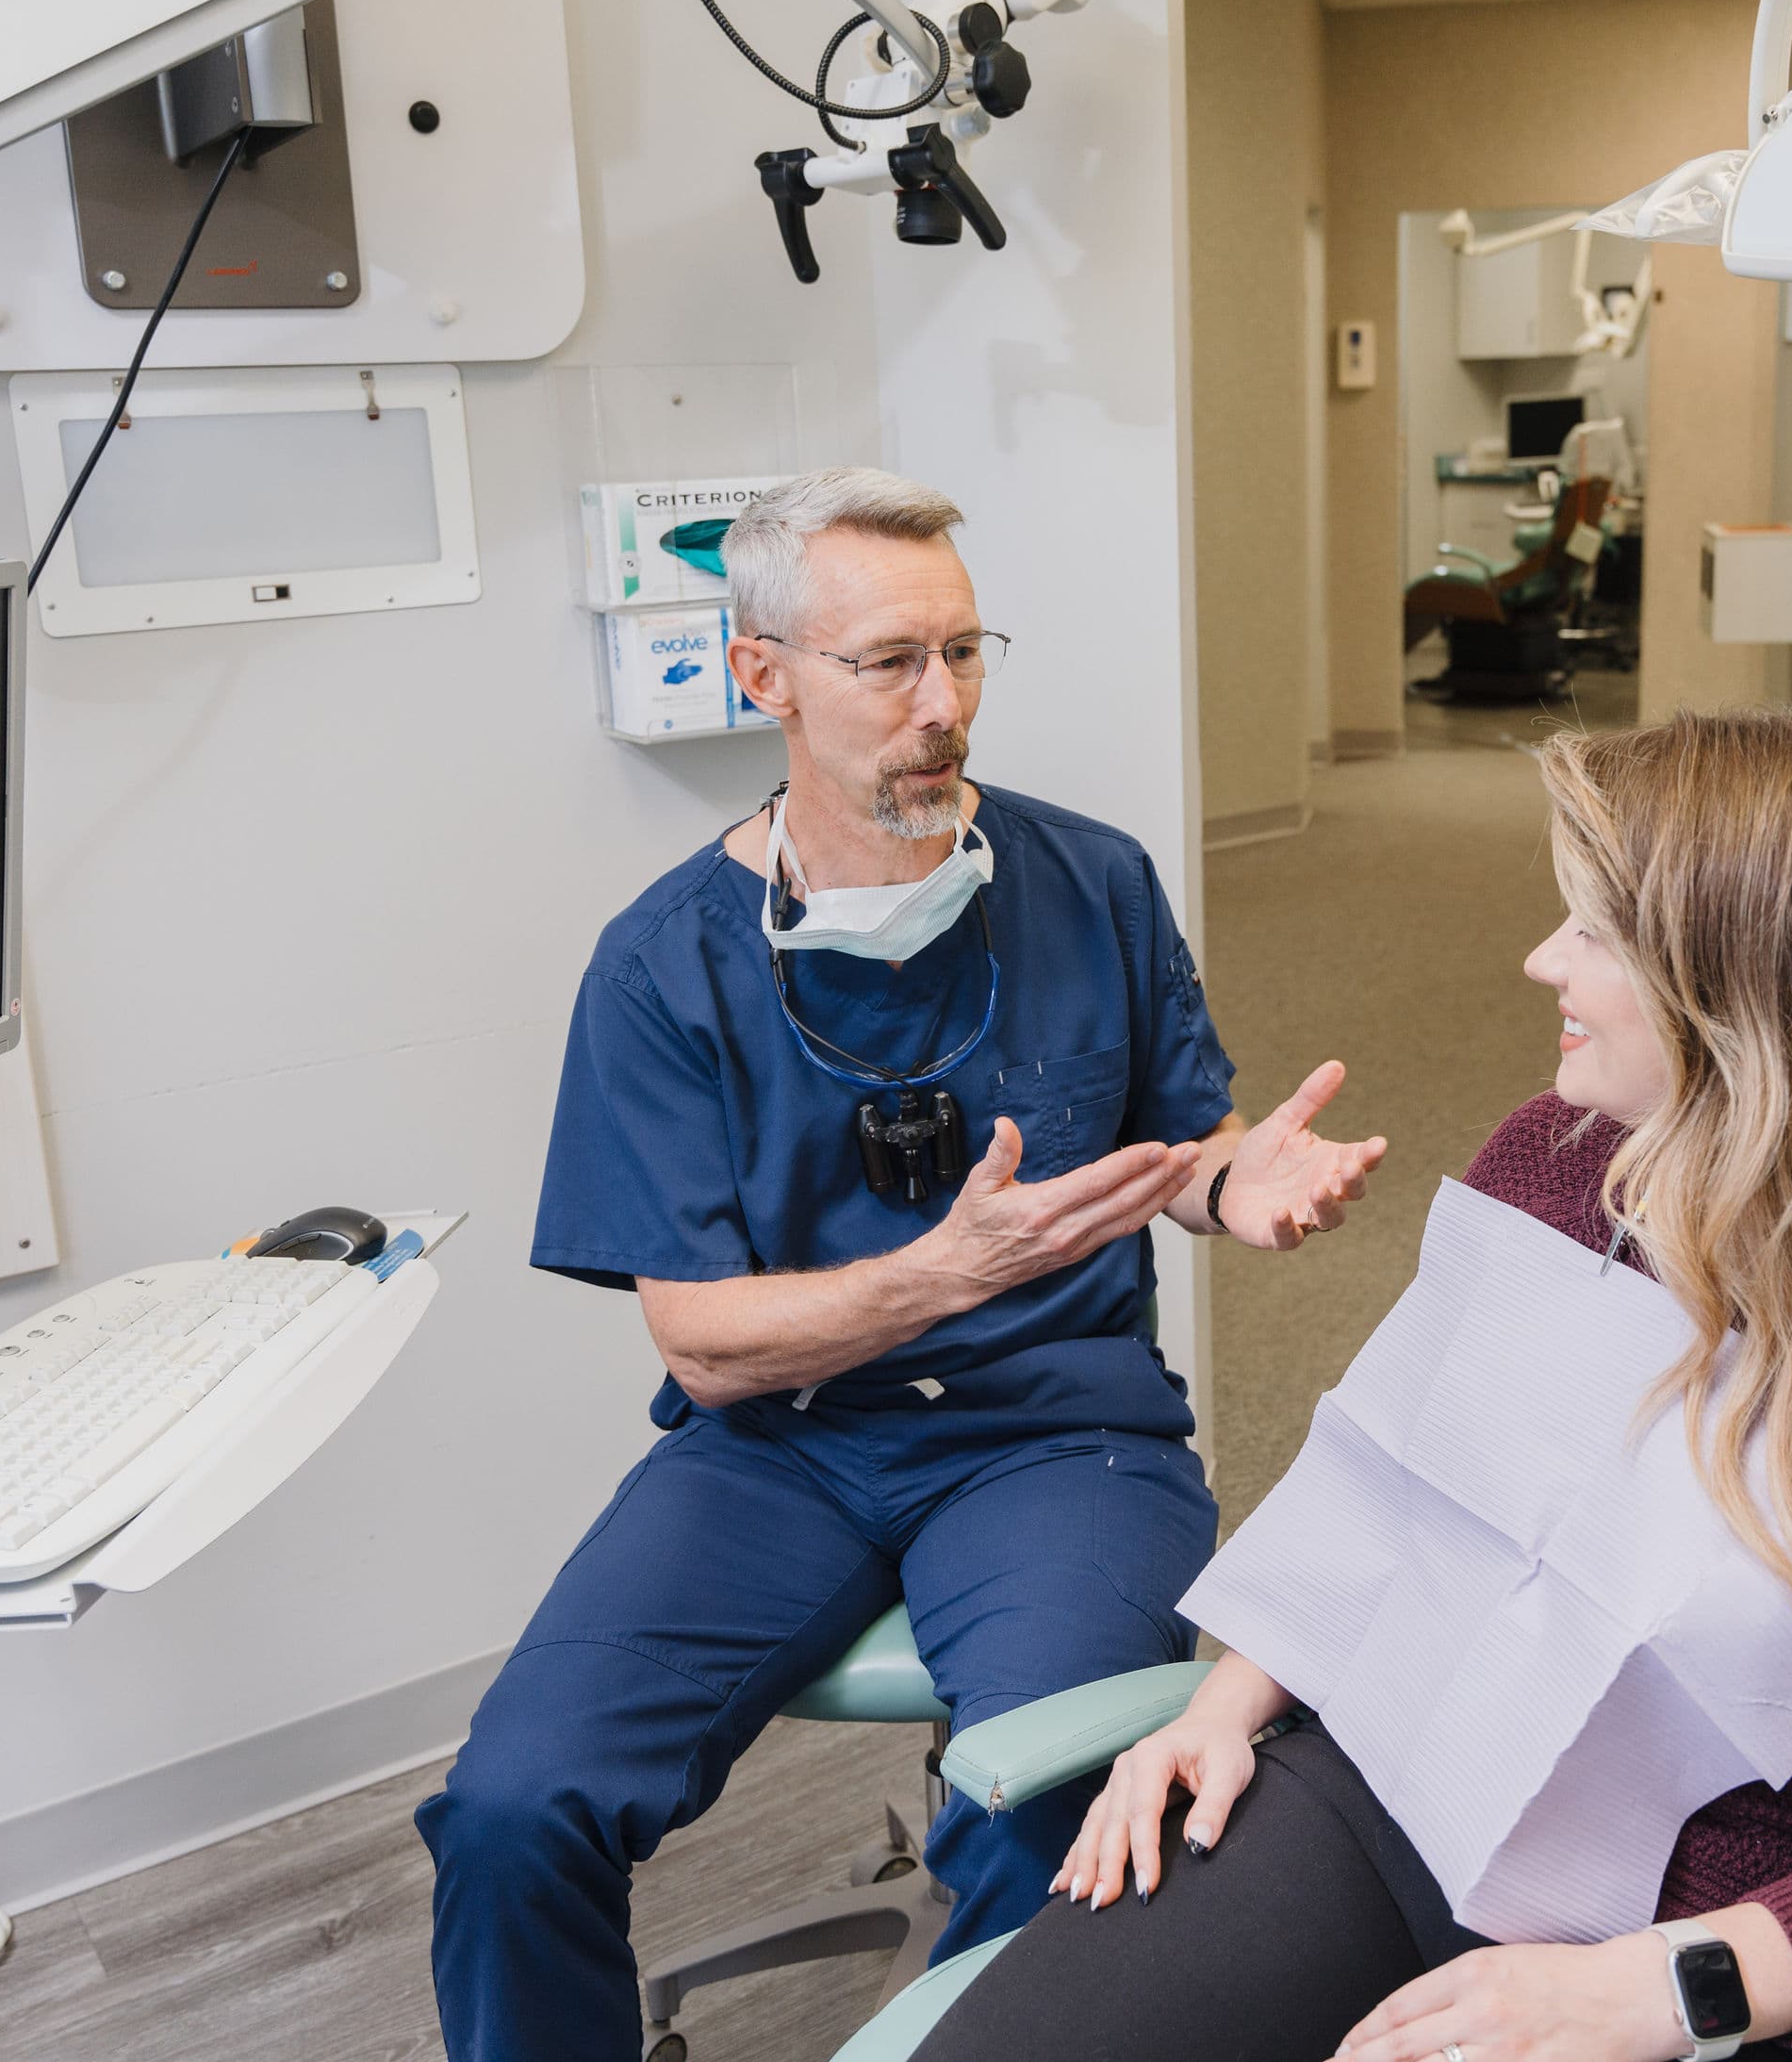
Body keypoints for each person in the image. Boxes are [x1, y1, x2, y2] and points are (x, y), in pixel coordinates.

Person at [912, 708, 1792, 2062]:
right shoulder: (1561, 1163)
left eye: (1593, 934)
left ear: (1750, 990)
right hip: (1423, 1777)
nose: (1538, 962)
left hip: (1749, 1925)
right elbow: (1391, 1488)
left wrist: (1653, 1990)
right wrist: (1220, 1710)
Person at [418, 467, 1389, 2062]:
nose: (942, 704)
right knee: (514, 1809)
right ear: (765, 678)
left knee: (1061, 1801)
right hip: (778, 1450)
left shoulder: (1093, 882)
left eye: (964, 651)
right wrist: (941, 1273)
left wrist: (1238, 1190)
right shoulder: (664, 968)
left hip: (1056, 1435)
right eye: (888, 663)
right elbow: (706, 1347)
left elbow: (1178, 1152)